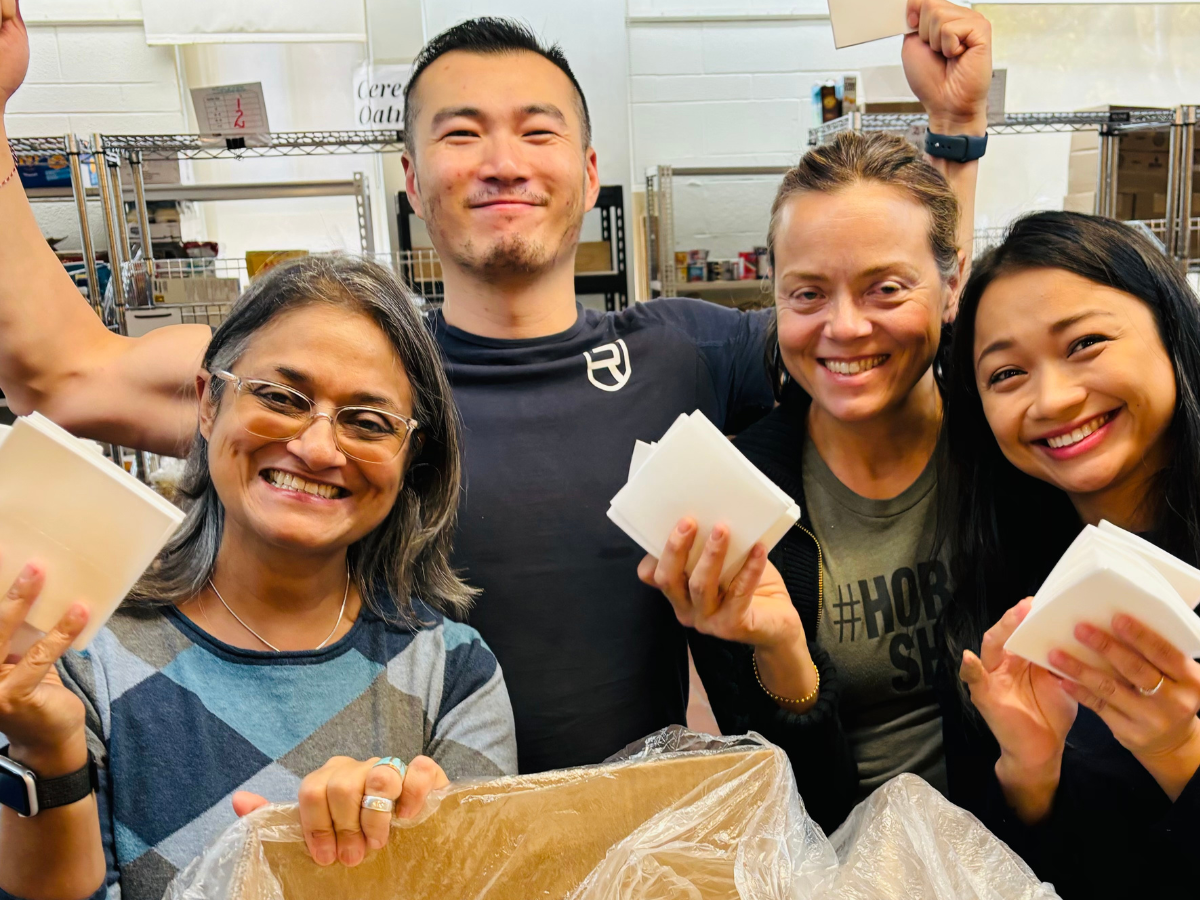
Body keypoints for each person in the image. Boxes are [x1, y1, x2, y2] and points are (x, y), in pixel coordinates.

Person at [0, 0, 993, 773]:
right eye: (462, 132)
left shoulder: (687, 351)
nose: (504, 161)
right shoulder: (344, 385)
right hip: (403, 829)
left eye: (538, 131)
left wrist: (953, 130)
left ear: (590, 165)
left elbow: (887, 326)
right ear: (410, 173)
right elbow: (59, 371)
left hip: (631, 835)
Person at [0, 256, 517, 900]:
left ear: (411, 461)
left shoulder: (452, 672)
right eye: (280, 397)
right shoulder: (78, 654)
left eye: (369, 421)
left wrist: (411, 838)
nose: (319, 448)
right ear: (208, 403)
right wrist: (46, 753)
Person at [641, 128, 970, 833]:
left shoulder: (1006, 456)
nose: (845, 327)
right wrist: (783, 655)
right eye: (808, 294)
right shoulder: (739, 499)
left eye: (886, 287)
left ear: (952, 285)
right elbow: (785, 802)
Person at [940, 211, 1199, 898]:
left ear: (1170, 330)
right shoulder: (1000, 588)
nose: (1052, 399)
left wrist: (1179, 755)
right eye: (1006, 374)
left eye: (1085, 343)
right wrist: (1030, 771)